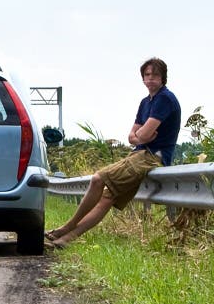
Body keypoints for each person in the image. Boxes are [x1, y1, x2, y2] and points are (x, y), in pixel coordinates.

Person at [45, 58, 181, 249]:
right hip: (139, 154)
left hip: (152, 156)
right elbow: (132, 137)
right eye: (147, 75)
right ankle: (66, 238)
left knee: (98, 179)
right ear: (142, 78)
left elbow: (143, 133)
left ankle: (67, 228)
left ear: (163, 78)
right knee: (107, 197)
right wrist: (139, 136)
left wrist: (140, 136)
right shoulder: (145, 102)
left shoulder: (165, 99)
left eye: (155, 75)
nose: (151, 79)